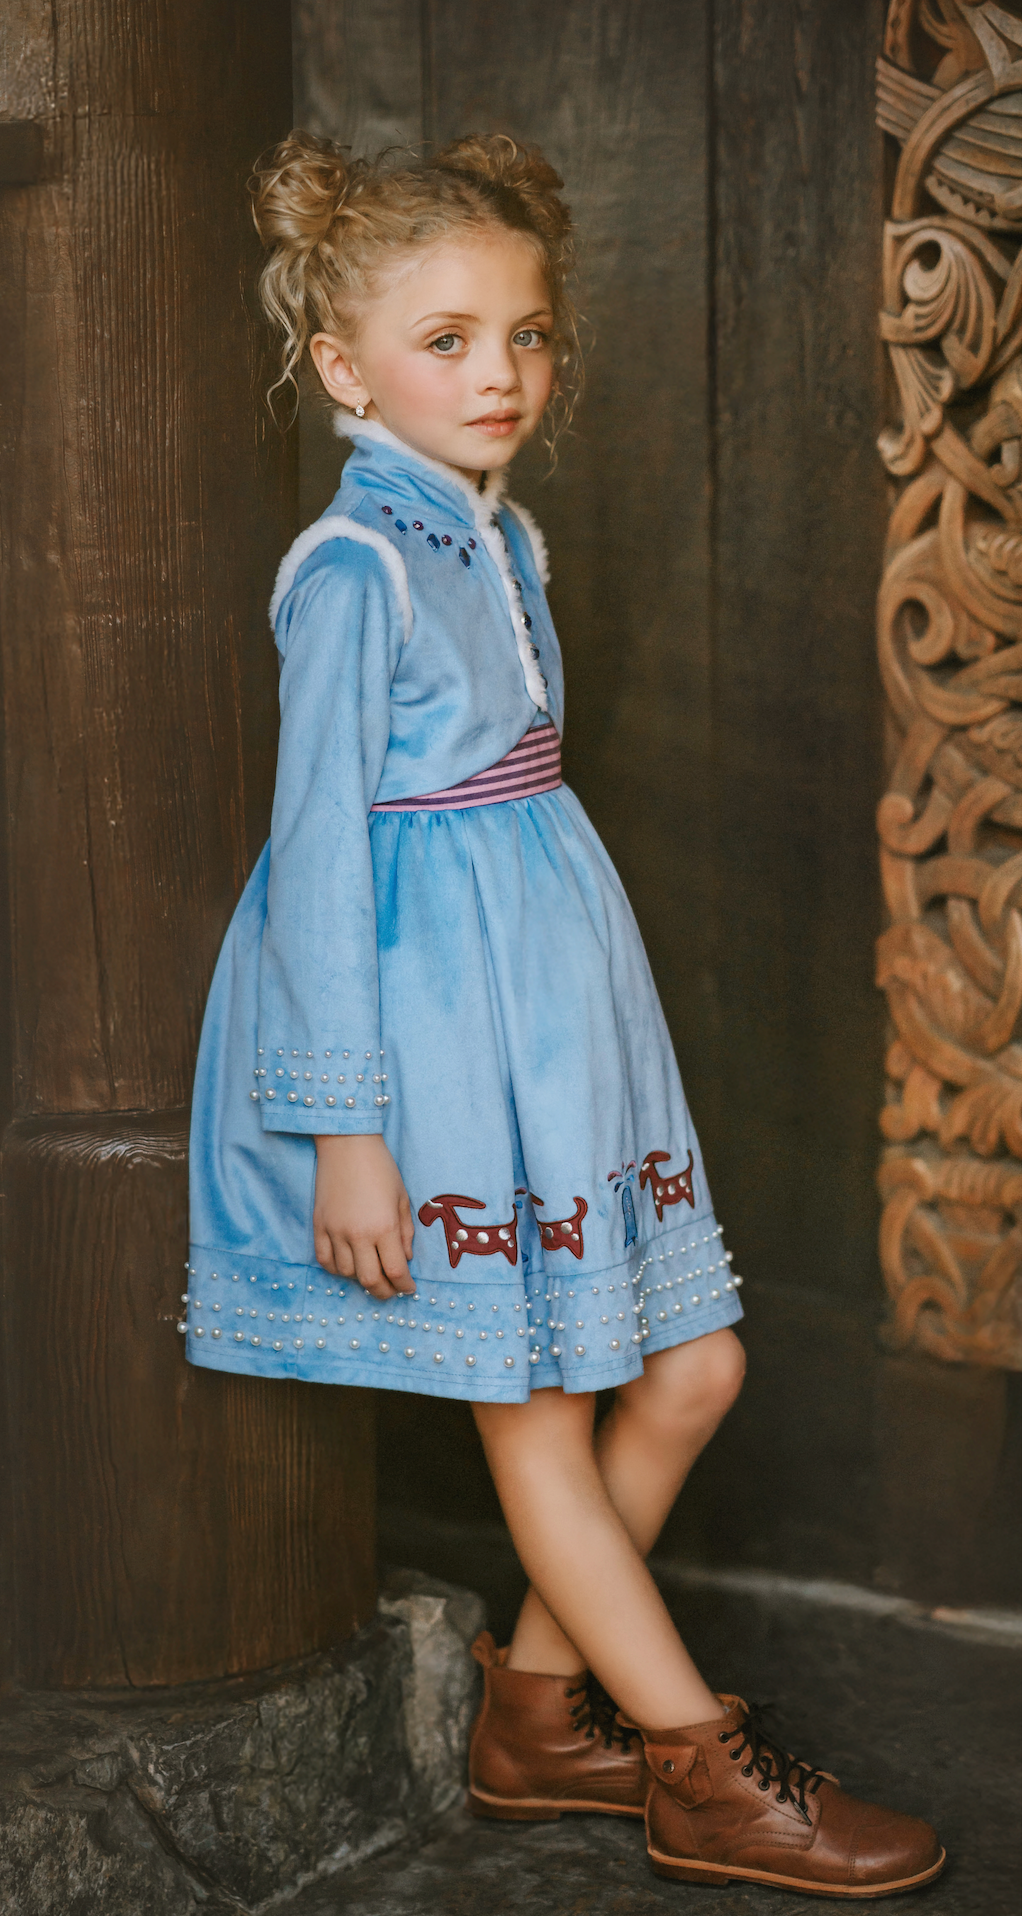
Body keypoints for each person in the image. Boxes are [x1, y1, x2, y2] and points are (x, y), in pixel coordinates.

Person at [182, 129, 944, 1898]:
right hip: (431, 1040)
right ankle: (694, 1761)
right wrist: (349, 1132)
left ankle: (531, 1718)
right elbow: (312, 869)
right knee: (530, 1399)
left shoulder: (496, 538)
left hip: (551, 1019)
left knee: (693, 1366)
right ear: (341, 365)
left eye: (523, 334)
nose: (500, 373)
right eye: (444, 339)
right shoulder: (353, 570)